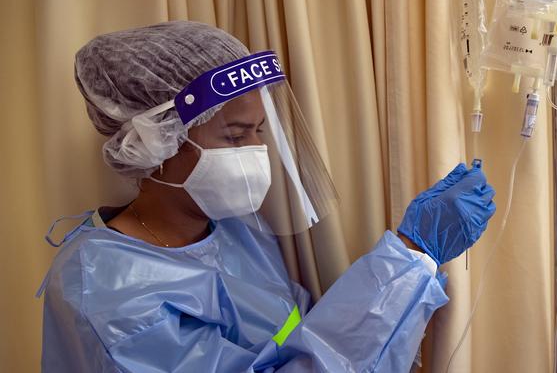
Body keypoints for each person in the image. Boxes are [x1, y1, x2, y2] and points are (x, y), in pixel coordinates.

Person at [38, 21, 496, 372]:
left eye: (259, 131)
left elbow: (312, 339)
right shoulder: (105, 286)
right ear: (155, 143)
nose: (257, 154)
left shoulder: (238, 232)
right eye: (235, 137)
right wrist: (409, 256)